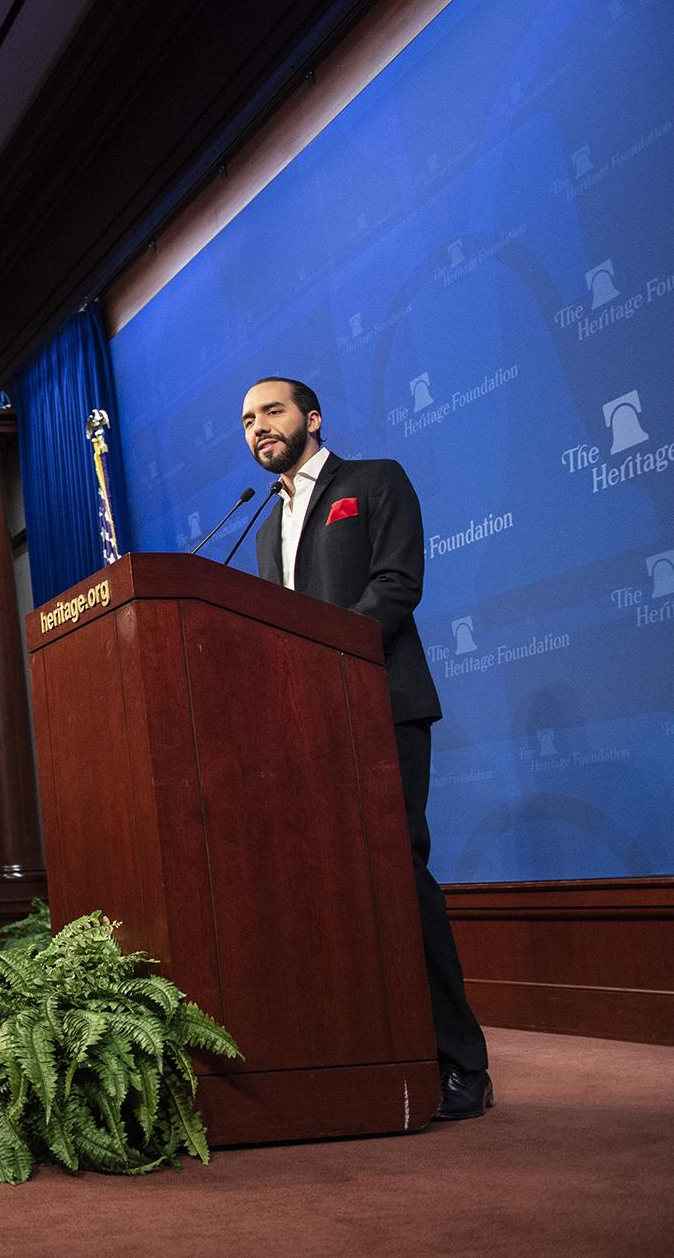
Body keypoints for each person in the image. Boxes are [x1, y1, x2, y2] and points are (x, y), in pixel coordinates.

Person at [241, 376, 491, 1120]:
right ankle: (370, 1048)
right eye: (248, 420)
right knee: (331, 885)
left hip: (382, 706)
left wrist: (323, 658)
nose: (259, 427)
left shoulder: (374, 481)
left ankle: (462, 1062)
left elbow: (395, 585)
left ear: (313, 418)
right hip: (308, 722)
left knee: (397, 871)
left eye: (273, 411)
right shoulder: (261, 528)